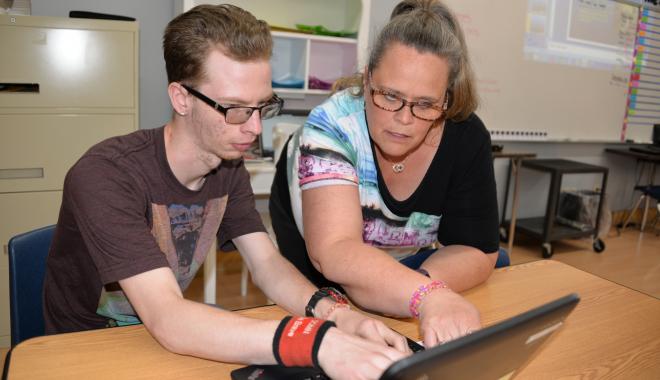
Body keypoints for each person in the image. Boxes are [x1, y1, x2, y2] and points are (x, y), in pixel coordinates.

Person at [42, 4, 409, 379]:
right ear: (181, 98)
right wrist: (315, 341)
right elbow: (168, 316)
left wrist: (336, 315)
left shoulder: (227, 164)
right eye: (234, 109)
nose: (254, 129)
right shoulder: (106, 175)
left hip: (162, 339)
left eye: (261, 107)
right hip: (85, 349)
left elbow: (266, 265)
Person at [269, 0, 500, 348]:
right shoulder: (332, 124)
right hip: (316, 259)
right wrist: (424, 296)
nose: (404, 120)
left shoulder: (467, 137)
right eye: (390, 96)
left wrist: (417, 287)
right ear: (367, 80)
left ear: (447, 100)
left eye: (425, 104)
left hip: (403, 267)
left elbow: (478, 249)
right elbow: (334, 250)